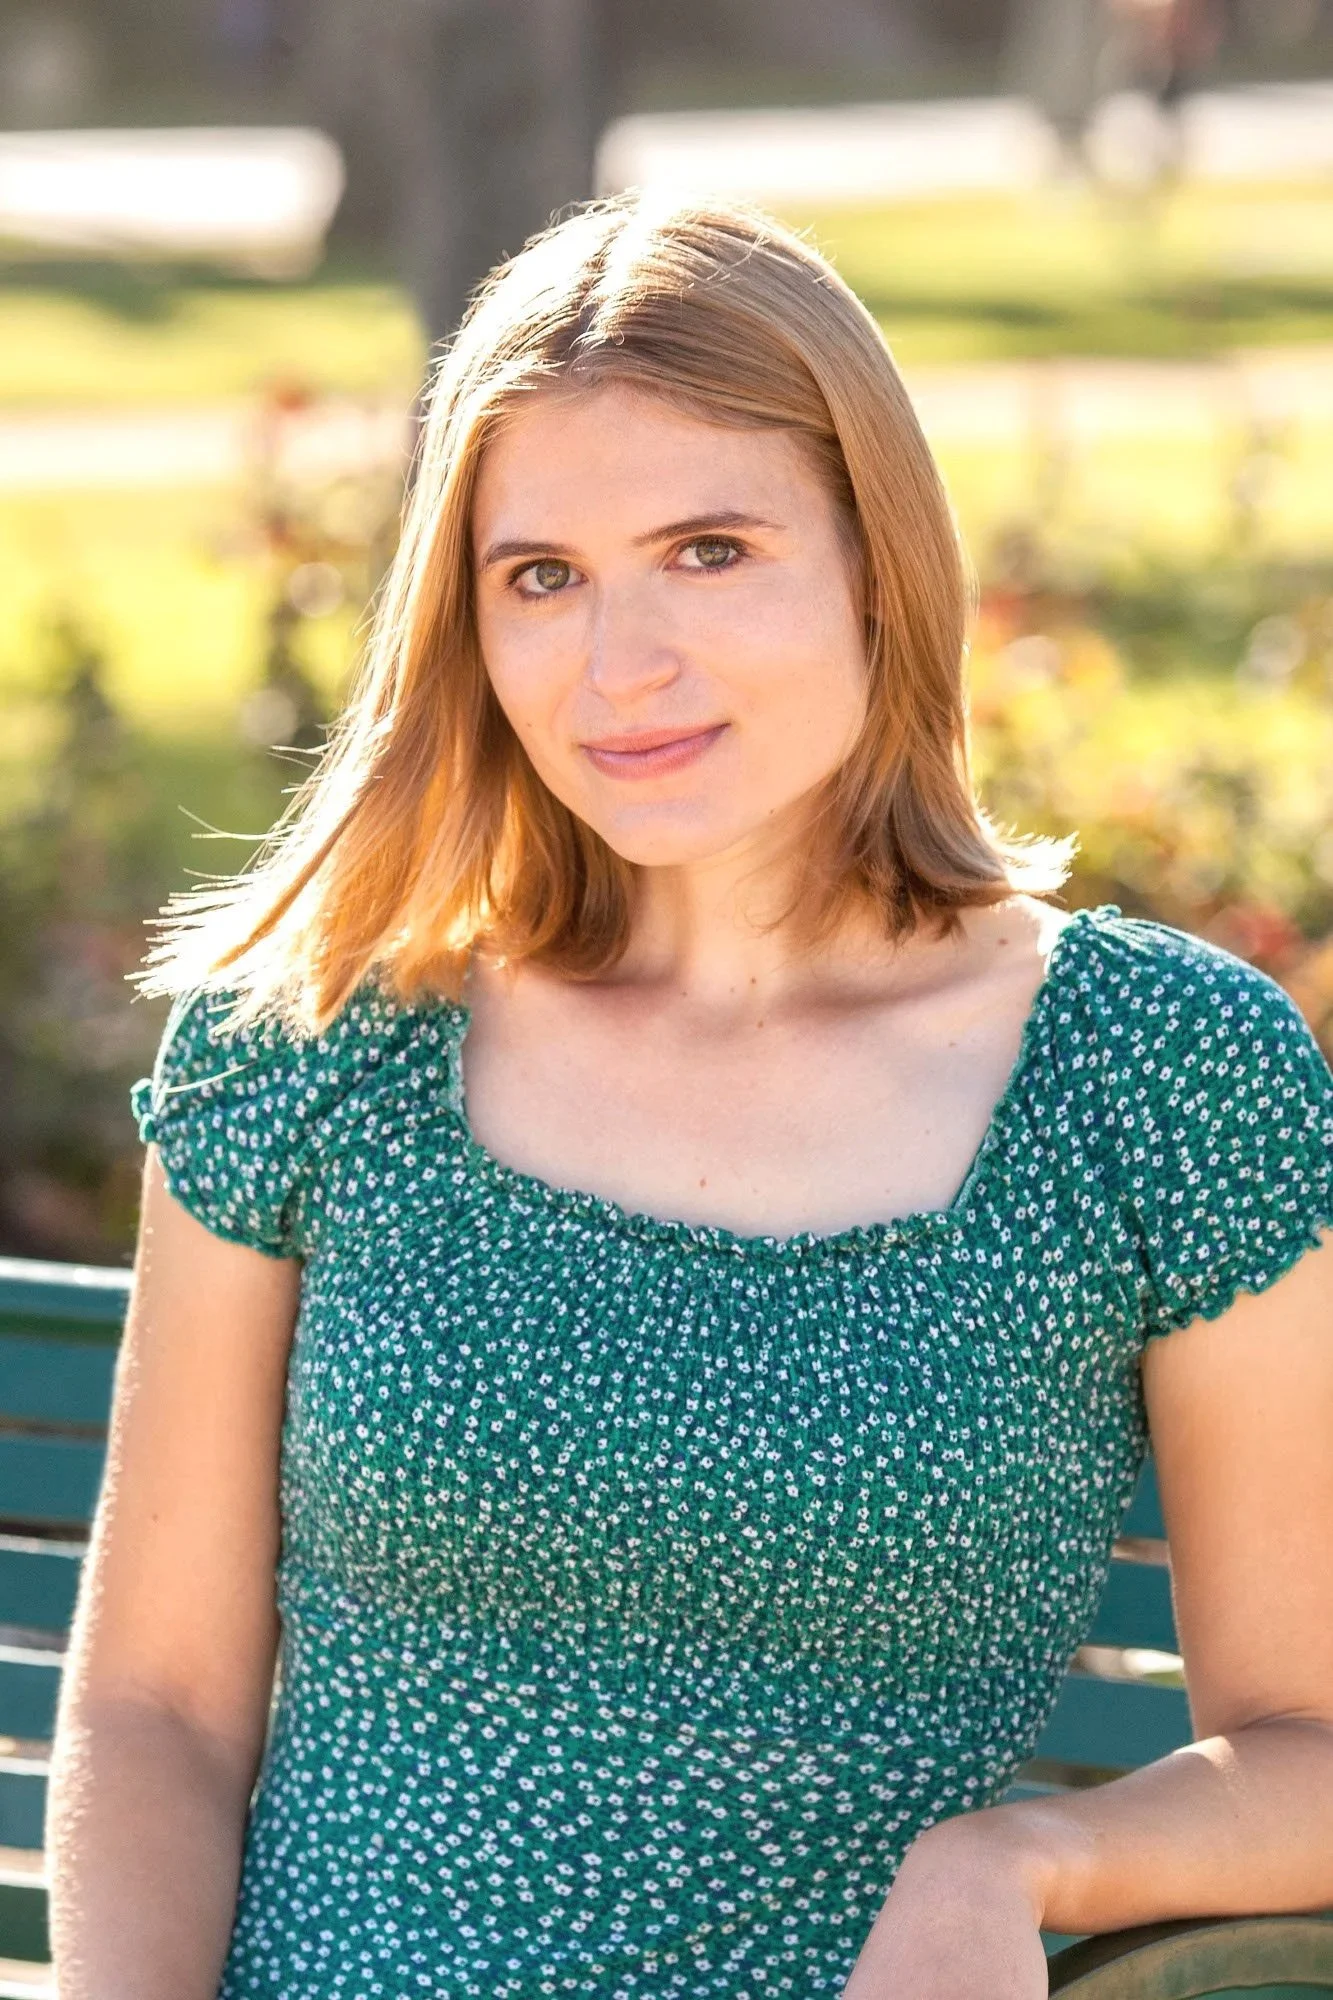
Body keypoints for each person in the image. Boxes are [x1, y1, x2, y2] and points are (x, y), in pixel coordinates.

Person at [48, 192, 1333, 1999]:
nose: (615, 667)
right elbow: (159, 1704)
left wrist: (1028, 1859)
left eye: (710, 550)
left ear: (878, 561)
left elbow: (1314, 1745)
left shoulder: (1154, 1078)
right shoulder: (321, 1038)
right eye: (542, 576)